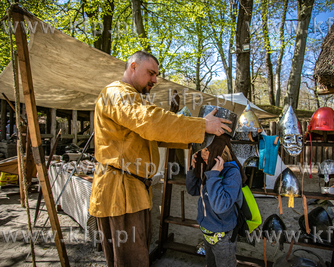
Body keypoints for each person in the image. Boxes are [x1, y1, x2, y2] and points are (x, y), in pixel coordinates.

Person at [89, 50, 232, 267]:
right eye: (151, 73)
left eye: (156, 75)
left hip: (132, 192)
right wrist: (200, 125)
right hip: (120, 194)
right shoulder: (116, 93)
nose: (155, 80)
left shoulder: (133, 99)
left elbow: (152, 136)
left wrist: (196, 136)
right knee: (130, 261)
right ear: (133, 67)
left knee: (137, 256)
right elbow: (150, 122)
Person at [186, 134, 247, 267]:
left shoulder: (232, 173)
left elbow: (220, 206)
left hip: (223, 236)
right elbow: (193, 190)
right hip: (207, 231)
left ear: (219, 149)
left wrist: (214, 176)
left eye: (207, 150)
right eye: (201, 150)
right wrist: (193, 170)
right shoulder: (209, 168)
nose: (203, 154)